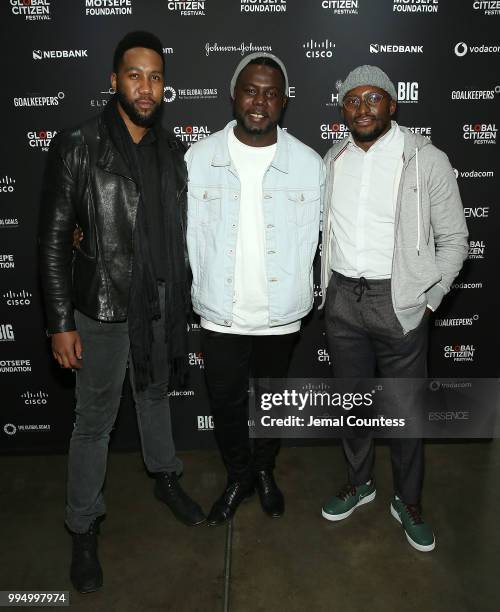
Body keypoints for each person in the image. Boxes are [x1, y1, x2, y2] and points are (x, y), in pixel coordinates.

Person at [38, 31, 205, 594]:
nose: (146, 86)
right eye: (134, 75)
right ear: (114, 81)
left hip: (158, 302)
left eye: (155, 76)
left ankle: (165, 476)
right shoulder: (79, 144)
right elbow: (55, 239)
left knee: (155, 395)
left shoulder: (173, 149)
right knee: (94, 423)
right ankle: (83, 526)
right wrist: (61, 321)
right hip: (103, 305)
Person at [319, 65, 468, 552]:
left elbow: (455, 239)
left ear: (392, 104)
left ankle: (407, 500)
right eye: (352, 100)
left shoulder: (426, 159)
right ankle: (360, 484)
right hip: (342, 298)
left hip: (398, 302)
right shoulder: (332, 159)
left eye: (373, 98)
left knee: (405, 411)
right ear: (343, 109)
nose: (362, 108)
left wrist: (429, 299)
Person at [185, 53, 324, 526]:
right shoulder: (197, 159)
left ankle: (264, 471)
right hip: (220, 314)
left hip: (280, 314)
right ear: (234, 94)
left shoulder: (309, 164)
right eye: (251, 89)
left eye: (270, 92)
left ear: (284, 102)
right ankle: (238, 475)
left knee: (272, 402)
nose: (259, 101)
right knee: (225, 406)